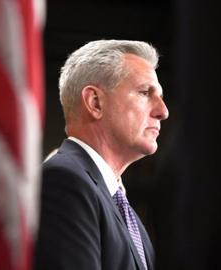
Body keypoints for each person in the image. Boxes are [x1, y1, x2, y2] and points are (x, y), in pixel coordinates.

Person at [34, 39, 169, 270]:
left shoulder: (127, 214)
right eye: (145, 92)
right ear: (95, 102)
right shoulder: (64, 182)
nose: (163, 111)